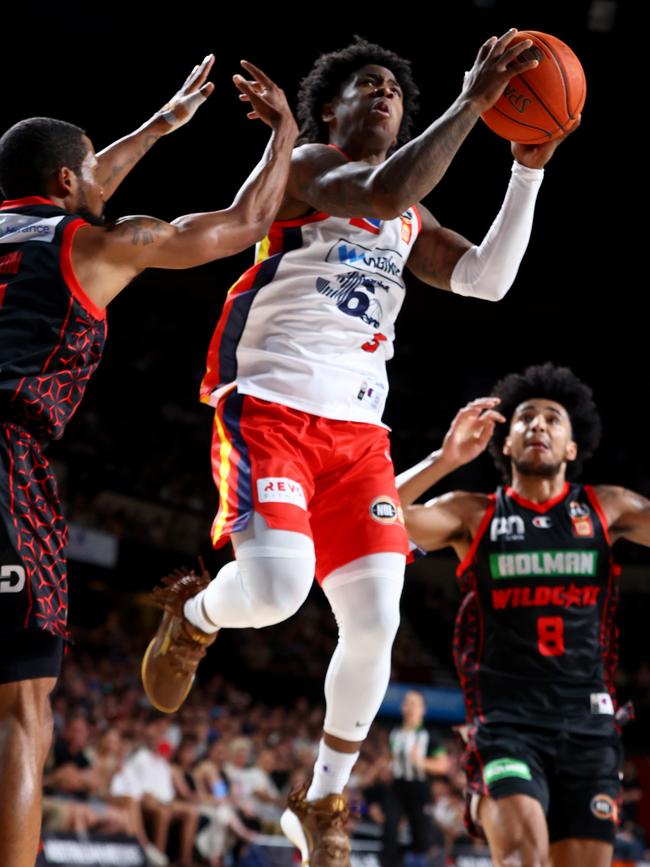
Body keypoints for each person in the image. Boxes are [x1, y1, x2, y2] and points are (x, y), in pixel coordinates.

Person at [141, 33, 577, 866]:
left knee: (376, 618)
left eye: (395, 90)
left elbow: (487, 279)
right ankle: (194, 616)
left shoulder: (411, 214)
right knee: (274, 589)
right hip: (268, 407)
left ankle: (323, 796)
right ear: (330, 111)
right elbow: (383, 188)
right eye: (367, 86)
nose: (385, 94)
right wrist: (472, 102)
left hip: (357, 438)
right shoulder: (308, 166)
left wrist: (527, 168)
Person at [0, 56, 298, 867]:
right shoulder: (96, 243)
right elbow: (241, 224)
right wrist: (283, 135)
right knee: (21, 708)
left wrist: (160, 127)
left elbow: (76, 179)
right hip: (5, 453)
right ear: (68, 177)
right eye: (94, 162)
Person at [396, 362, 650, 867]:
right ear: (505, 443)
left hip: (589, 726)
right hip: (506, 723)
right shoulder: (474, 514)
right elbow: (373, 513)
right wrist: (443, 460)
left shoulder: (606, 508)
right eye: (526, 418)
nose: (538, 425)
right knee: (523, 860)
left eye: (553, 419)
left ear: (572, 447)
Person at [383, 690, 449, 865]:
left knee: (420, 833)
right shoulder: (395, 732)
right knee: (390, 829)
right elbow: (390, 758)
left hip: (419, 787)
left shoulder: (429, 735)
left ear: (423, 709)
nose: (410, 707)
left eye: (415, 703)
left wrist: (421, 762)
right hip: (397, 786)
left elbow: (443, 765)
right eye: (407, 703)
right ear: (402, 707)